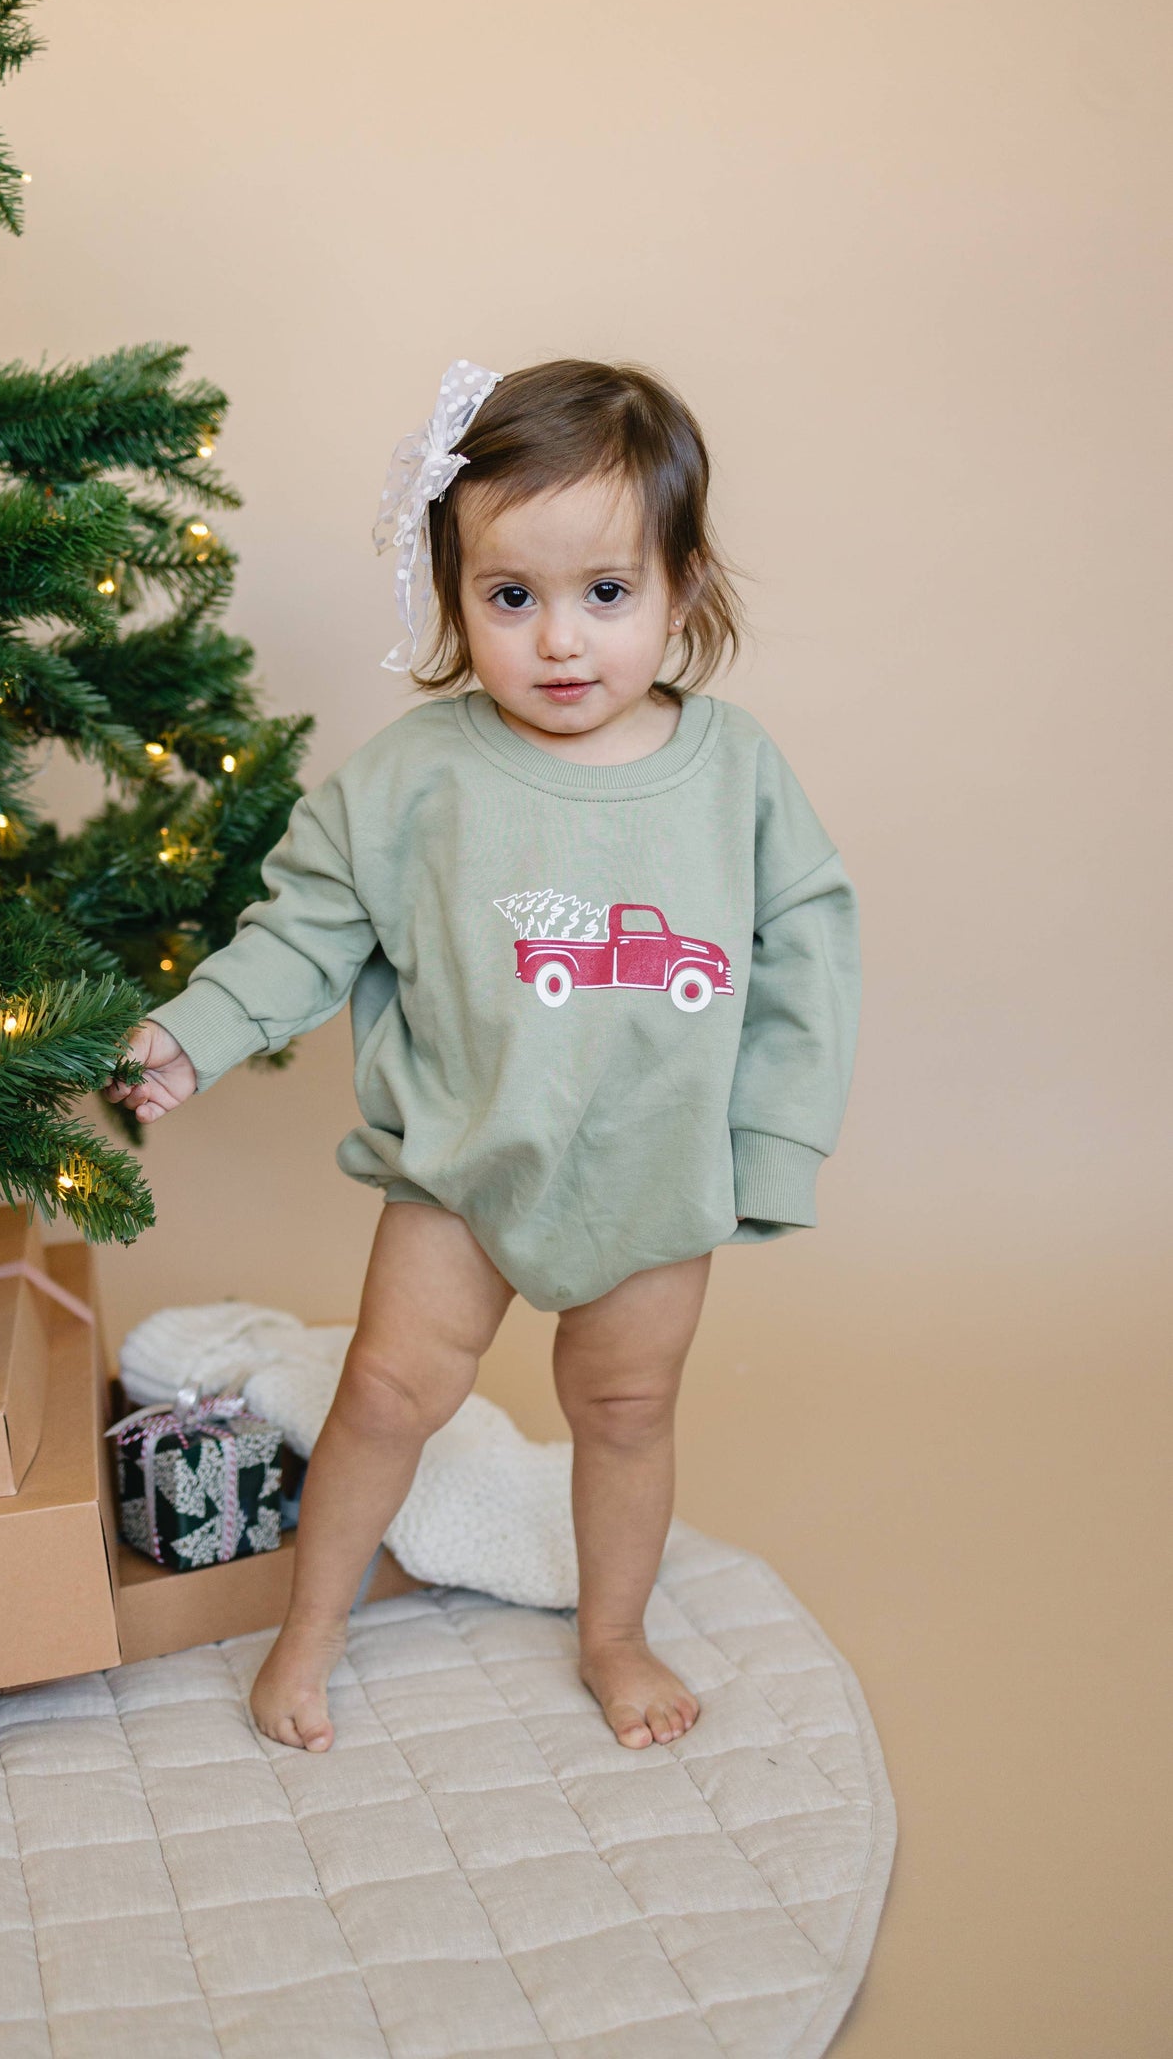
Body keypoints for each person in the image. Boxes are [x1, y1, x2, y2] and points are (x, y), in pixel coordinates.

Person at [105, 358, 860, 1755]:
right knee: (386, 1395)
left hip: (650, 1169)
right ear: (450, 595)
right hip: (455, 1163)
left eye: (605, 595)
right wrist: (192, 1033)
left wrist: (770, 1146)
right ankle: (311, 1630)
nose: (560, 642)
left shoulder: (732, 772)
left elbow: (805, 961)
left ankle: (615, 1634)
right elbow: (303, 926)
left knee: (625, 1408)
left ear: (681, 589)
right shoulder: (413, 779)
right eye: (511, 597)